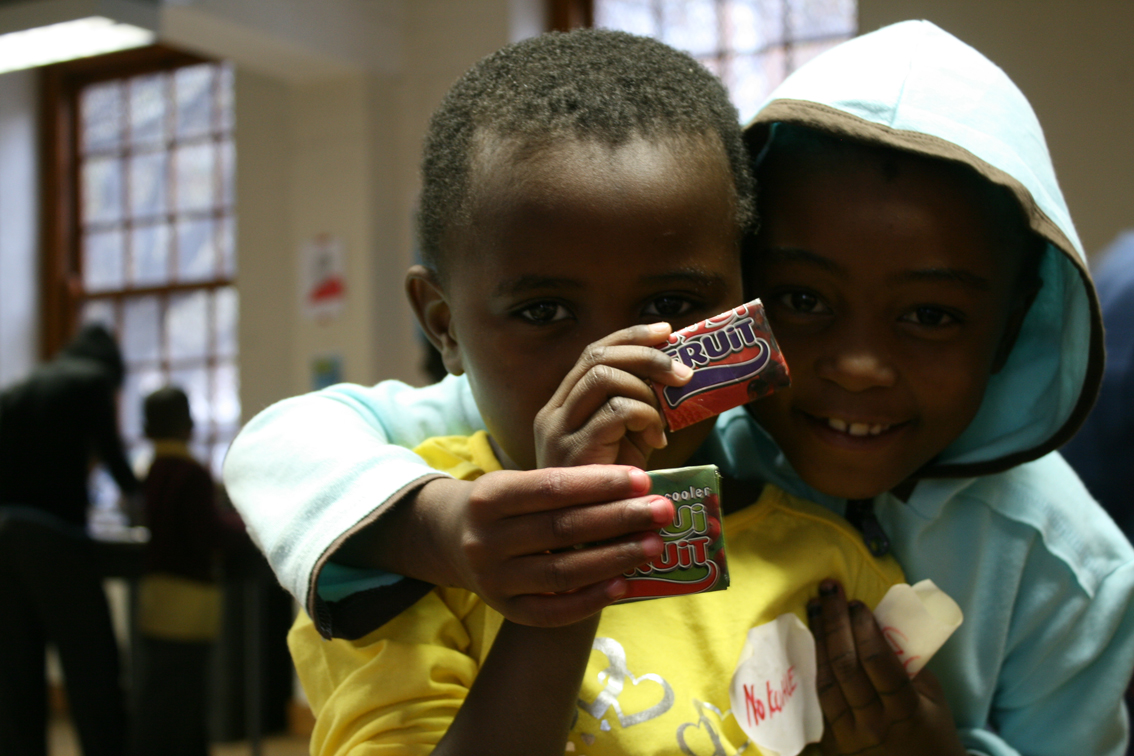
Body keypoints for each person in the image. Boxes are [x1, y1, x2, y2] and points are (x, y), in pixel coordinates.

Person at [225, 20, 1134, 756]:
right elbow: (282, 446)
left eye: (931, 315)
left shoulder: (1066, 566)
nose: (858, 365)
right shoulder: (553, 444)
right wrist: (445, 533)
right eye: (803, 299)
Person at [285, 29, 906, 754]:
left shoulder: (829, 566)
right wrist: (564, 582)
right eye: (543, 311)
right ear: (444, 326)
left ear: (746, 299)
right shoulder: (396, 563)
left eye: (670, 304)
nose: (609, 370)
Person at [0, 323, 138, 756]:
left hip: (5, 534)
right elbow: (111, 451)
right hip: (53, 536)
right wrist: (139, 497)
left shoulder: (21, 387)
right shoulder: (92, 381)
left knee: (17, 673)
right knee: (92, 664)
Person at [130, 386, 246, 756]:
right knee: (187, 698)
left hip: (156, 597)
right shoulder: (191, 473)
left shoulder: (152, 469)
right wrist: (243, 525)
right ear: (188, 425)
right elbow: (207, 533)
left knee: (158, 696)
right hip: (190, 602)